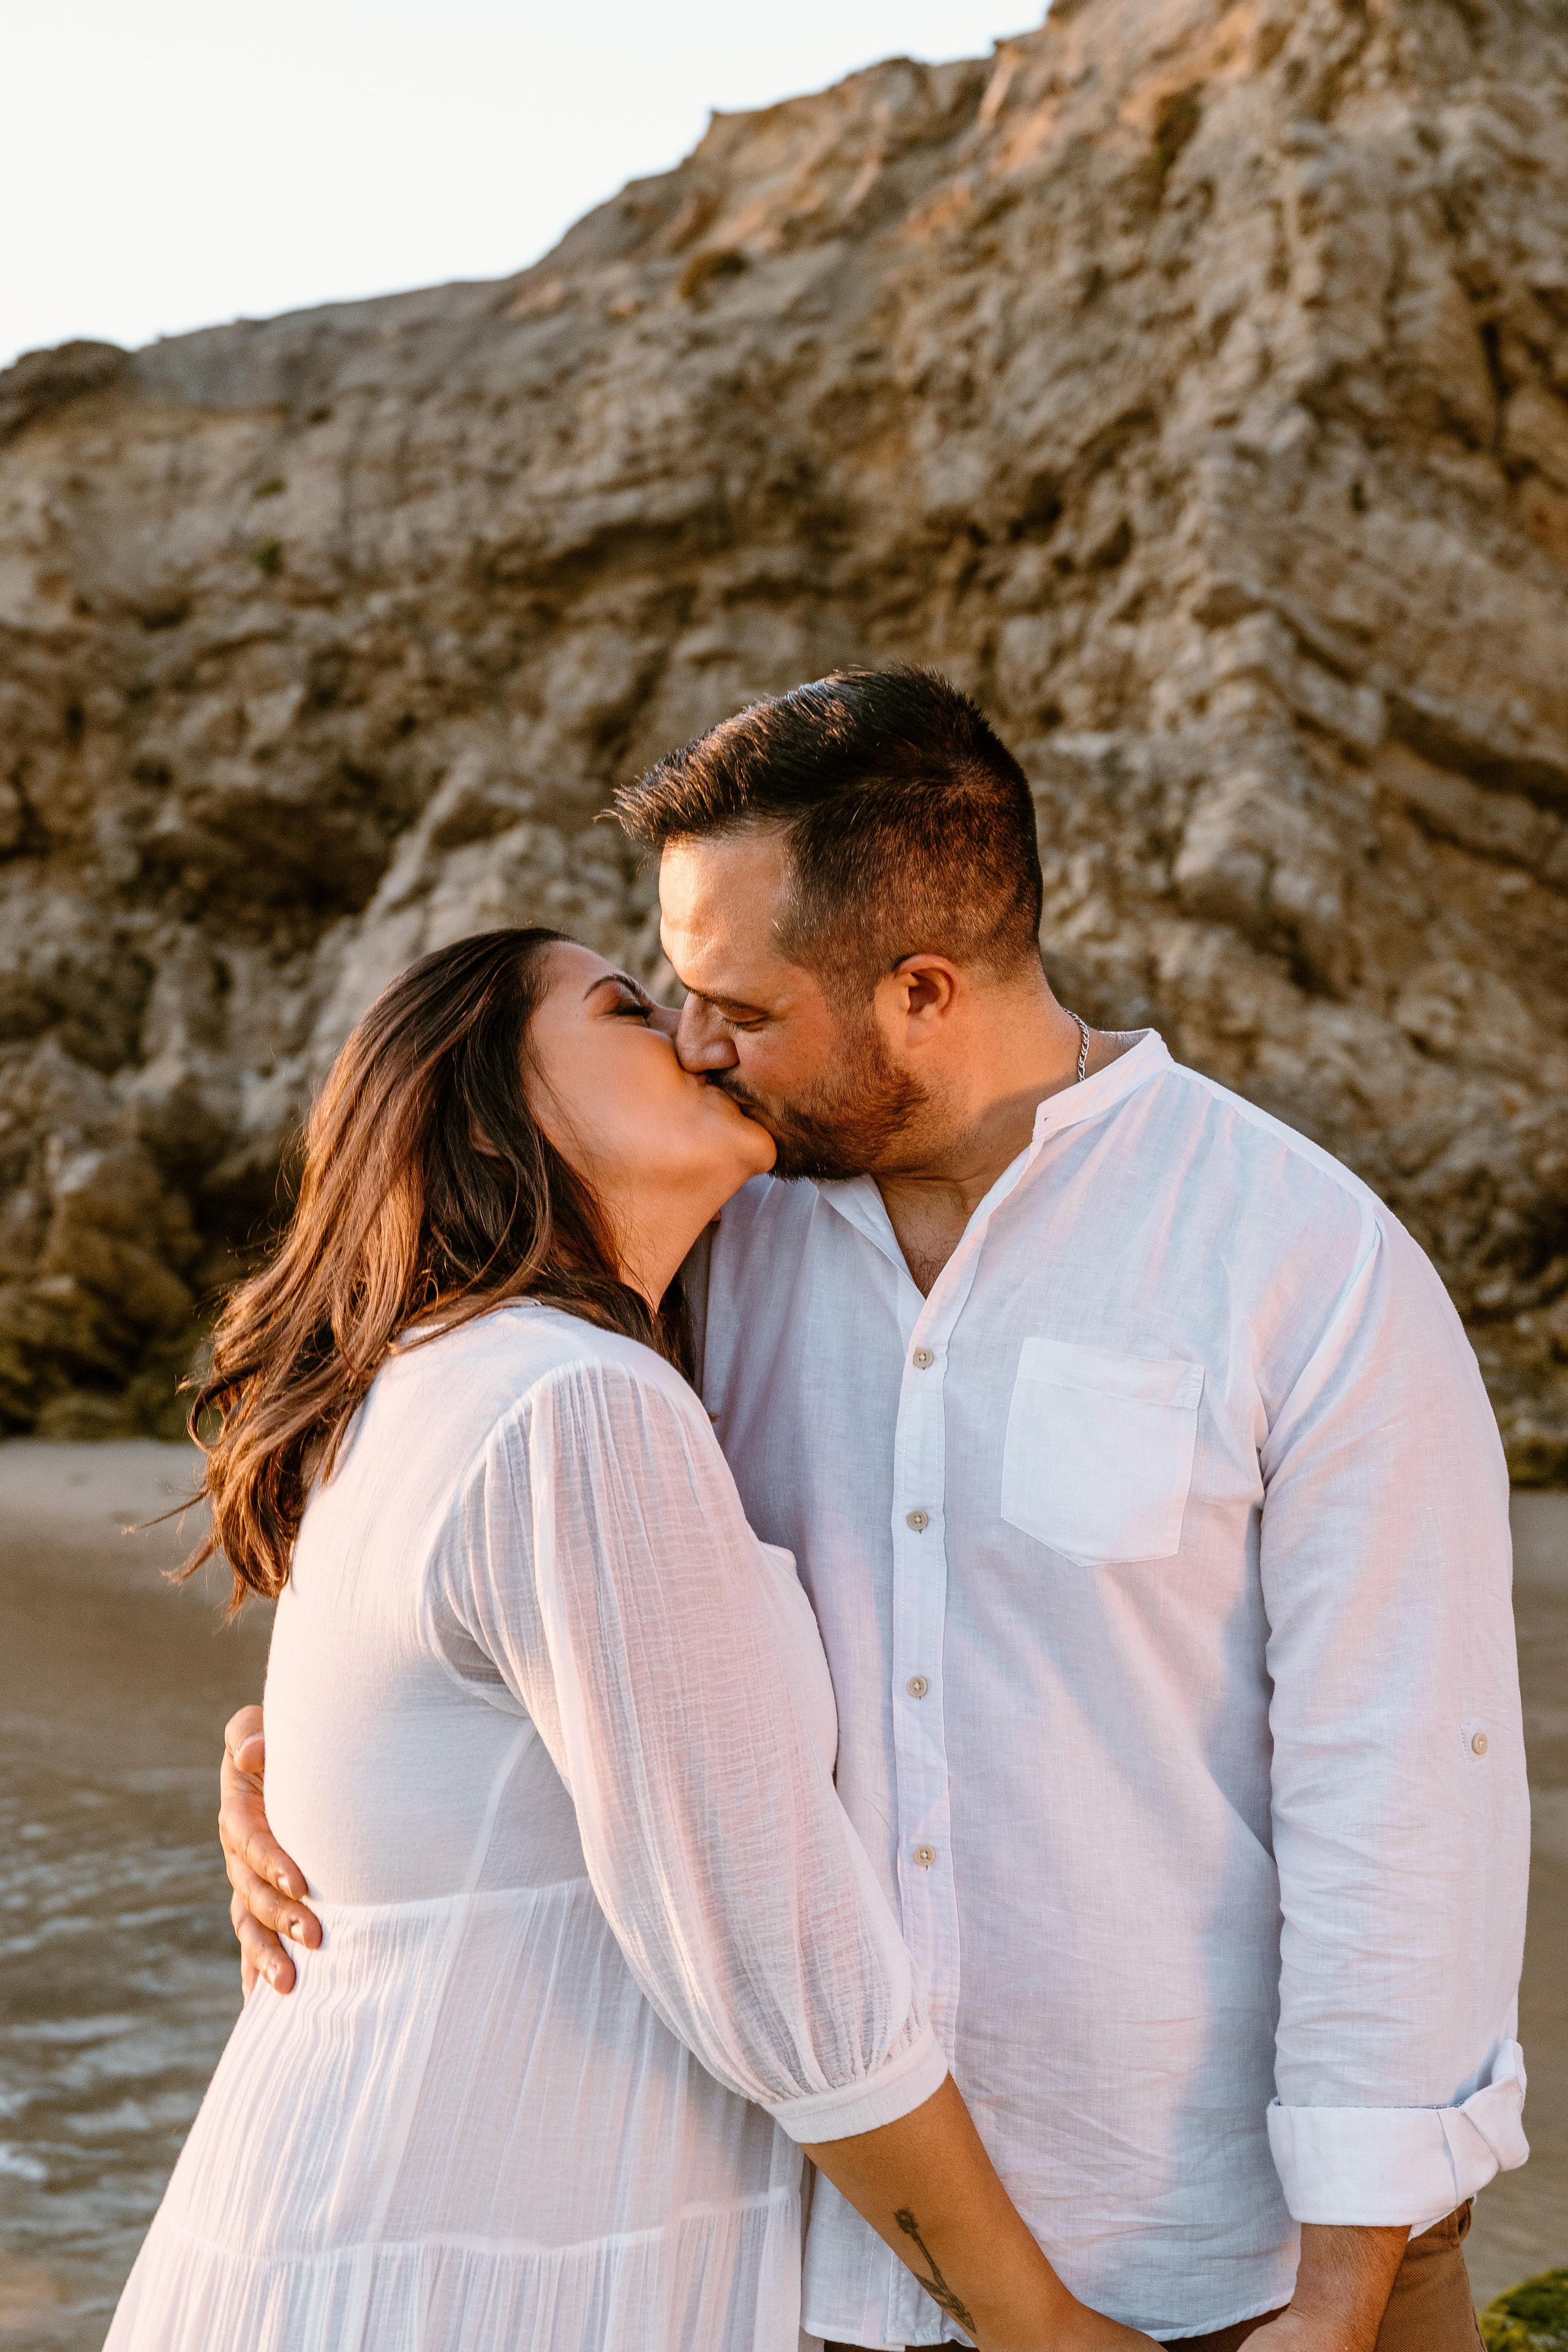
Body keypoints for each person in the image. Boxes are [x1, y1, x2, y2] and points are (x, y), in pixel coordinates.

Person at [221, 669, 1531, 2351]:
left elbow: (1405, 1786)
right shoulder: (699, 1243)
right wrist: (309, 1767)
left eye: (740, 1009)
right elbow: (509, 1557)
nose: (699, 1046)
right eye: (676, 994)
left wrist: (1344, 2290)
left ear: (920, 989)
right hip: (803, 2258)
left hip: (1216, 2254)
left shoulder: (1301, 1259)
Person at [110, 926, 1152, 2352]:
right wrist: (1039, 2325)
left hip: (373, 2230)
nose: (697, 1037)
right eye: (627, 1010)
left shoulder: (440, 1379)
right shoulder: (568, 1400)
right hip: (471, 2273)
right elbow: (772, 1955)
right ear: (495, 1108)